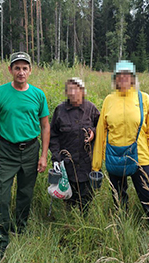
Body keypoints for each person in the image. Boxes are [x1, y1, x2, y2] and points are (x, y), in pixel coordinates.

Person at [0, 52, 50, 261]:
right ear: (10, 70)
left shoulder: (38, 95)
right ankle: (2, 239)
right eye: (17, 68)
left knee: (25, 193)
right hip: (6, 151)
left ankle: (20, 229)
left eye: (25, 68)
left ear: (30, 70)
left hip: (31, 150)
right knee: (2, 196)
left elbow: (45, 126)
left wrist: (43, 155)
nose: (21, 72)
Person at [92, 60, 149, 220]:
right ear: (115, 78)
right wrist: (96, 165)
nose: (123, 78)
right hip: (114, 157)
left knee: (148, 197)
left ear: (133, 78)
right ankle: (122, 227)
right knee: (119, 198)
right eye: (120, 75)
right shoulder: (109, 100)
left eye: (127, 75)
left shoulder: (144, 99)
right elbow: (101, 133)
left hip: (141, 157)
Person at [49, 78, 100, 213]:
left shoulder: (91, 109)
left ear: (83, 91)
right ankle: (69, 221)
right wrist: (56, 158)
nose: (72, 93)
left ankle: (84, 222)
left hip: (86, 163)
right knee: (69, 198)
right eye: (69, 89)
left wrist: (93, 133)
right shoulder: (60, 110)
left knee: (86, 198)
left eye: (76, 89)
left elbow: (101, 127)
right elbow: (52, 135)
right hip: (67, 165)